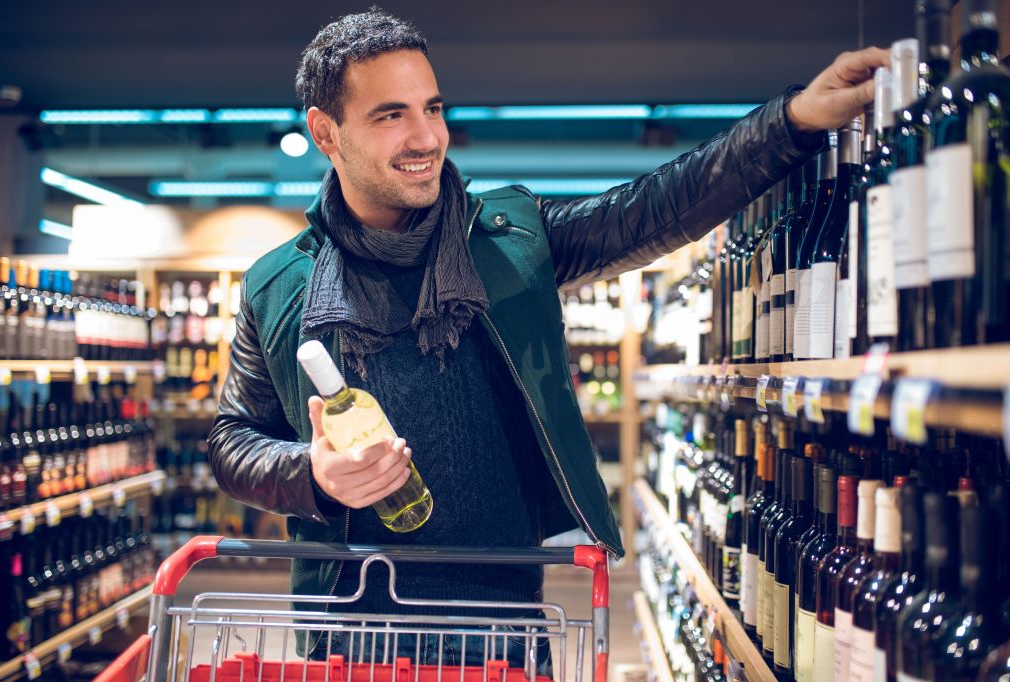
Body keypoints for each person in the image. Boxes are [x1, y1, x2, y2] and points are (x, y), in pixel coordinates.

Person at [207, 7, 888, 668]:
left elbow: (650, 208)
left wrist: (792, 122)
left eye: (433, 108)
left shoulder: (511, 238)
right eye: (391, 115)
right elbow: (232, 440)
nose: (426, 138)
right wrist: (314, 474)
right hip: (350, 632)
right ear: (325, 133)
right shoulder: (277, 286)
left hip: (502, 620)